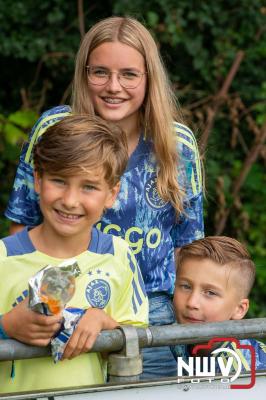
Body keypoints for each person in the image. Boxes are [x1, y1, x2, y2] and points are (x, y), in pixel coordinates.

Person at [5, 16, 204, 378]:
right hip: (62, 306)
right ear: (84, 74)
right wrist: (32, 310)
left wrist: (192, 327)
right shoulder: (56, 128)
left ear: (149, 79)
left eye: (129, 74)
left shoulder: (178, 146)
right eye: (100, 72)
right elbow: (23, 226)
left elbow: (188, 248)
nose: (114, 86)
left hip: (151, 317)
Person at [0, 115, 148, 394]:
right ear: (38, 180)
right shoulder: (3, 258)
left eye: (89, 187)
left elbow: (139, 341)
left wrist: (105, 323)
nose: (70, 200)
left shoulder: (118, 255)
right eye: (58, 180)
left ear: (111, 194)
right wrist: (6, 326)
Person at [172, 236, 266, 372]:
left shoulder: (244, 371)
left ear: (239, 309)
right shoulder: (171, 346)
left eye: (210, 293)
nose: (192, 303)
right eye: (186, 286)